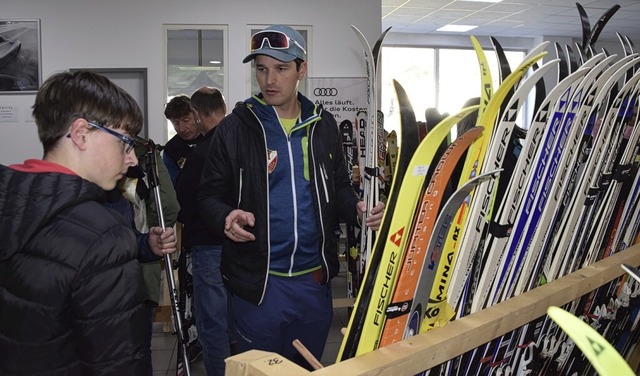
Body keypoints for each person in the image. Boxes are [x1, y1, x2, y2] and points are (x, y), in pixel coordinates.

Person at [197, 25, 385, 369]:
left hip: (314, 285)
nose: (269, 79)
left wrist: (358, 208)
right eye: (261, 68)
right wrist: (225, 216)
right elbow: (207, 196)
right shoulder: (236, 128)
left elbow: (340, 188)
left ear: (302, 69)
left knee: (307, 368)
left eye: (281, 68)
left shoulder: (323, 125)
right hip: (259, 286)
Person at [0, 70, 175, 374]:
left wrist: (145, 243)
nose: (132, 159)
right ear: (81, 133)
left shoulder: (12, 200)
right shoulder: (105, 237)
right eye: (124, 142)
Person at [176, 86, 230, 376]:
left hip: (210, 248)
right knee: (238, 322)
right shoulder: (242, 143)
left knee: (212, 324)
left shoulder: (203, 153)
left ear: (196, 114)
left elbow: (184, 203)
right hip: (244, 247)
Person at [162, 94, 203, 186]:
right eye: (176, 123)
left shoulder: (212, 140)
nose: (182, 129)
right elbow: (171, 186)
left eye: (186, 120)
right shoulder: (171, 149)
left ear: (196, 116)